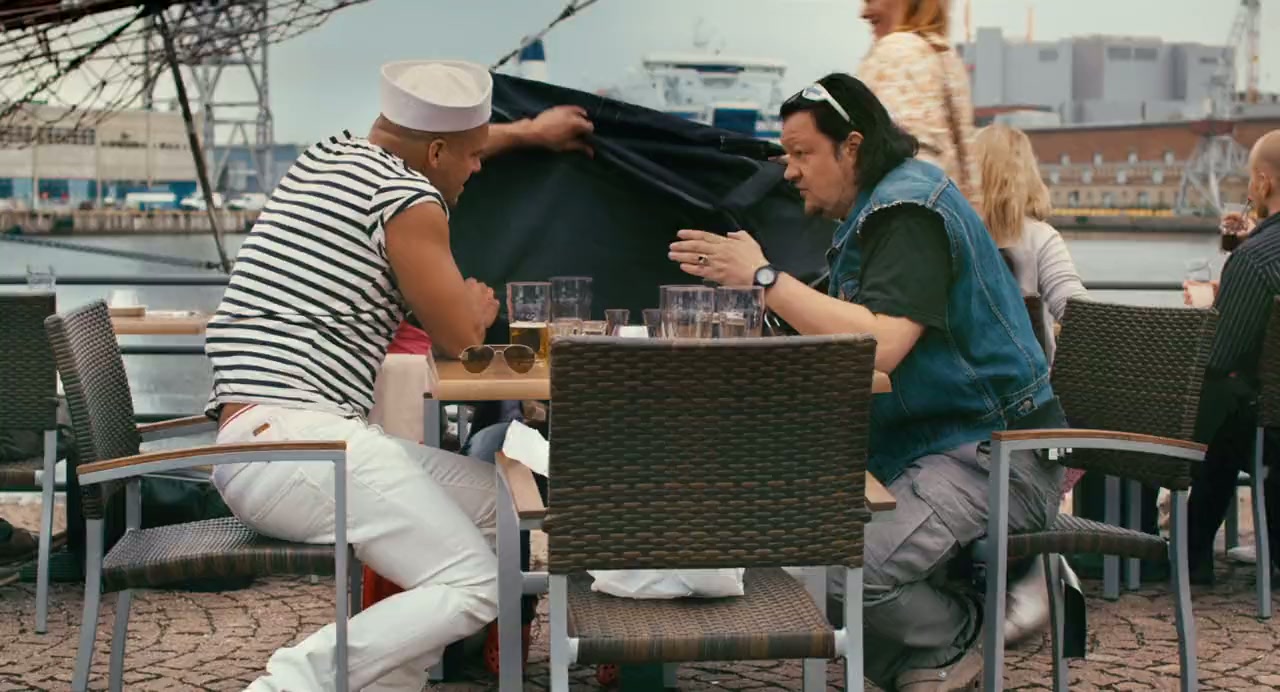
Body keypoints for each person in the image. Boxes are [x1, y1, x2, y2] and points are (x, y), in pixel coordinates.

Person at [203, 59, 591, 692]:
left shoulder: (327, 159)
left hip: (261, 444)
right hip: (296, 446)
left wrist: (527, 133)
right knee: (472, 583)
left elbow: (438, 136)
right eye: (472, 156)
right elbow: (464, 342)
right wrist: (475, 309)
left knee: (499, 509)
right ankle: (286, 685)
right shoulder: (409, 200)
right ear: (436, 153)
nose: (478, 167)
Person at [669, 73, 1065, 690]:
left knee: (837, 574)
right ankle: (930, 660)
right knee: (788, 549)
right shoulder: (879, 209)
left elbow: (882, 345)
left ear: (851, 146)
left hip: (995, 455)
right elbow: (851, 332)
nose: (789, 171)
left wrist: (764, 278)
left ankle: (964, 633)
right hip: (938, 448)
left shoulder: (907, 210)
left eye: (802, 153)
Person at [973, 123, 1089, 644]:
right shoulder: (1041, 238)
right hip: (1033, 411)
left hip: (969, 406)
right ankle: (1043, 563)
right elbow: (1076, 309)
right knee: (1052, 445)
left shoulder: (956, 235)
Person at [1185, 130, 1280, 584]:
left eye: (1250, 180)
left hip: (1269, 429)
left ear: (1263, 182)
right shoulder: (1257, 254)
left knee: (1216, 400)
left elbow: (1220, 356)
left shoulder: (1256, 261)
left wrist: (1213, 306)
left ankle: (1183, 551)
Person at [857, 0, 980, 205]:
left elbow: (913, 168)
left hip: (905, 219)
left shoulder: (899, 53)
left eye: (871, 0)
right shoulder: (944, 56)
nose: (864, 13)